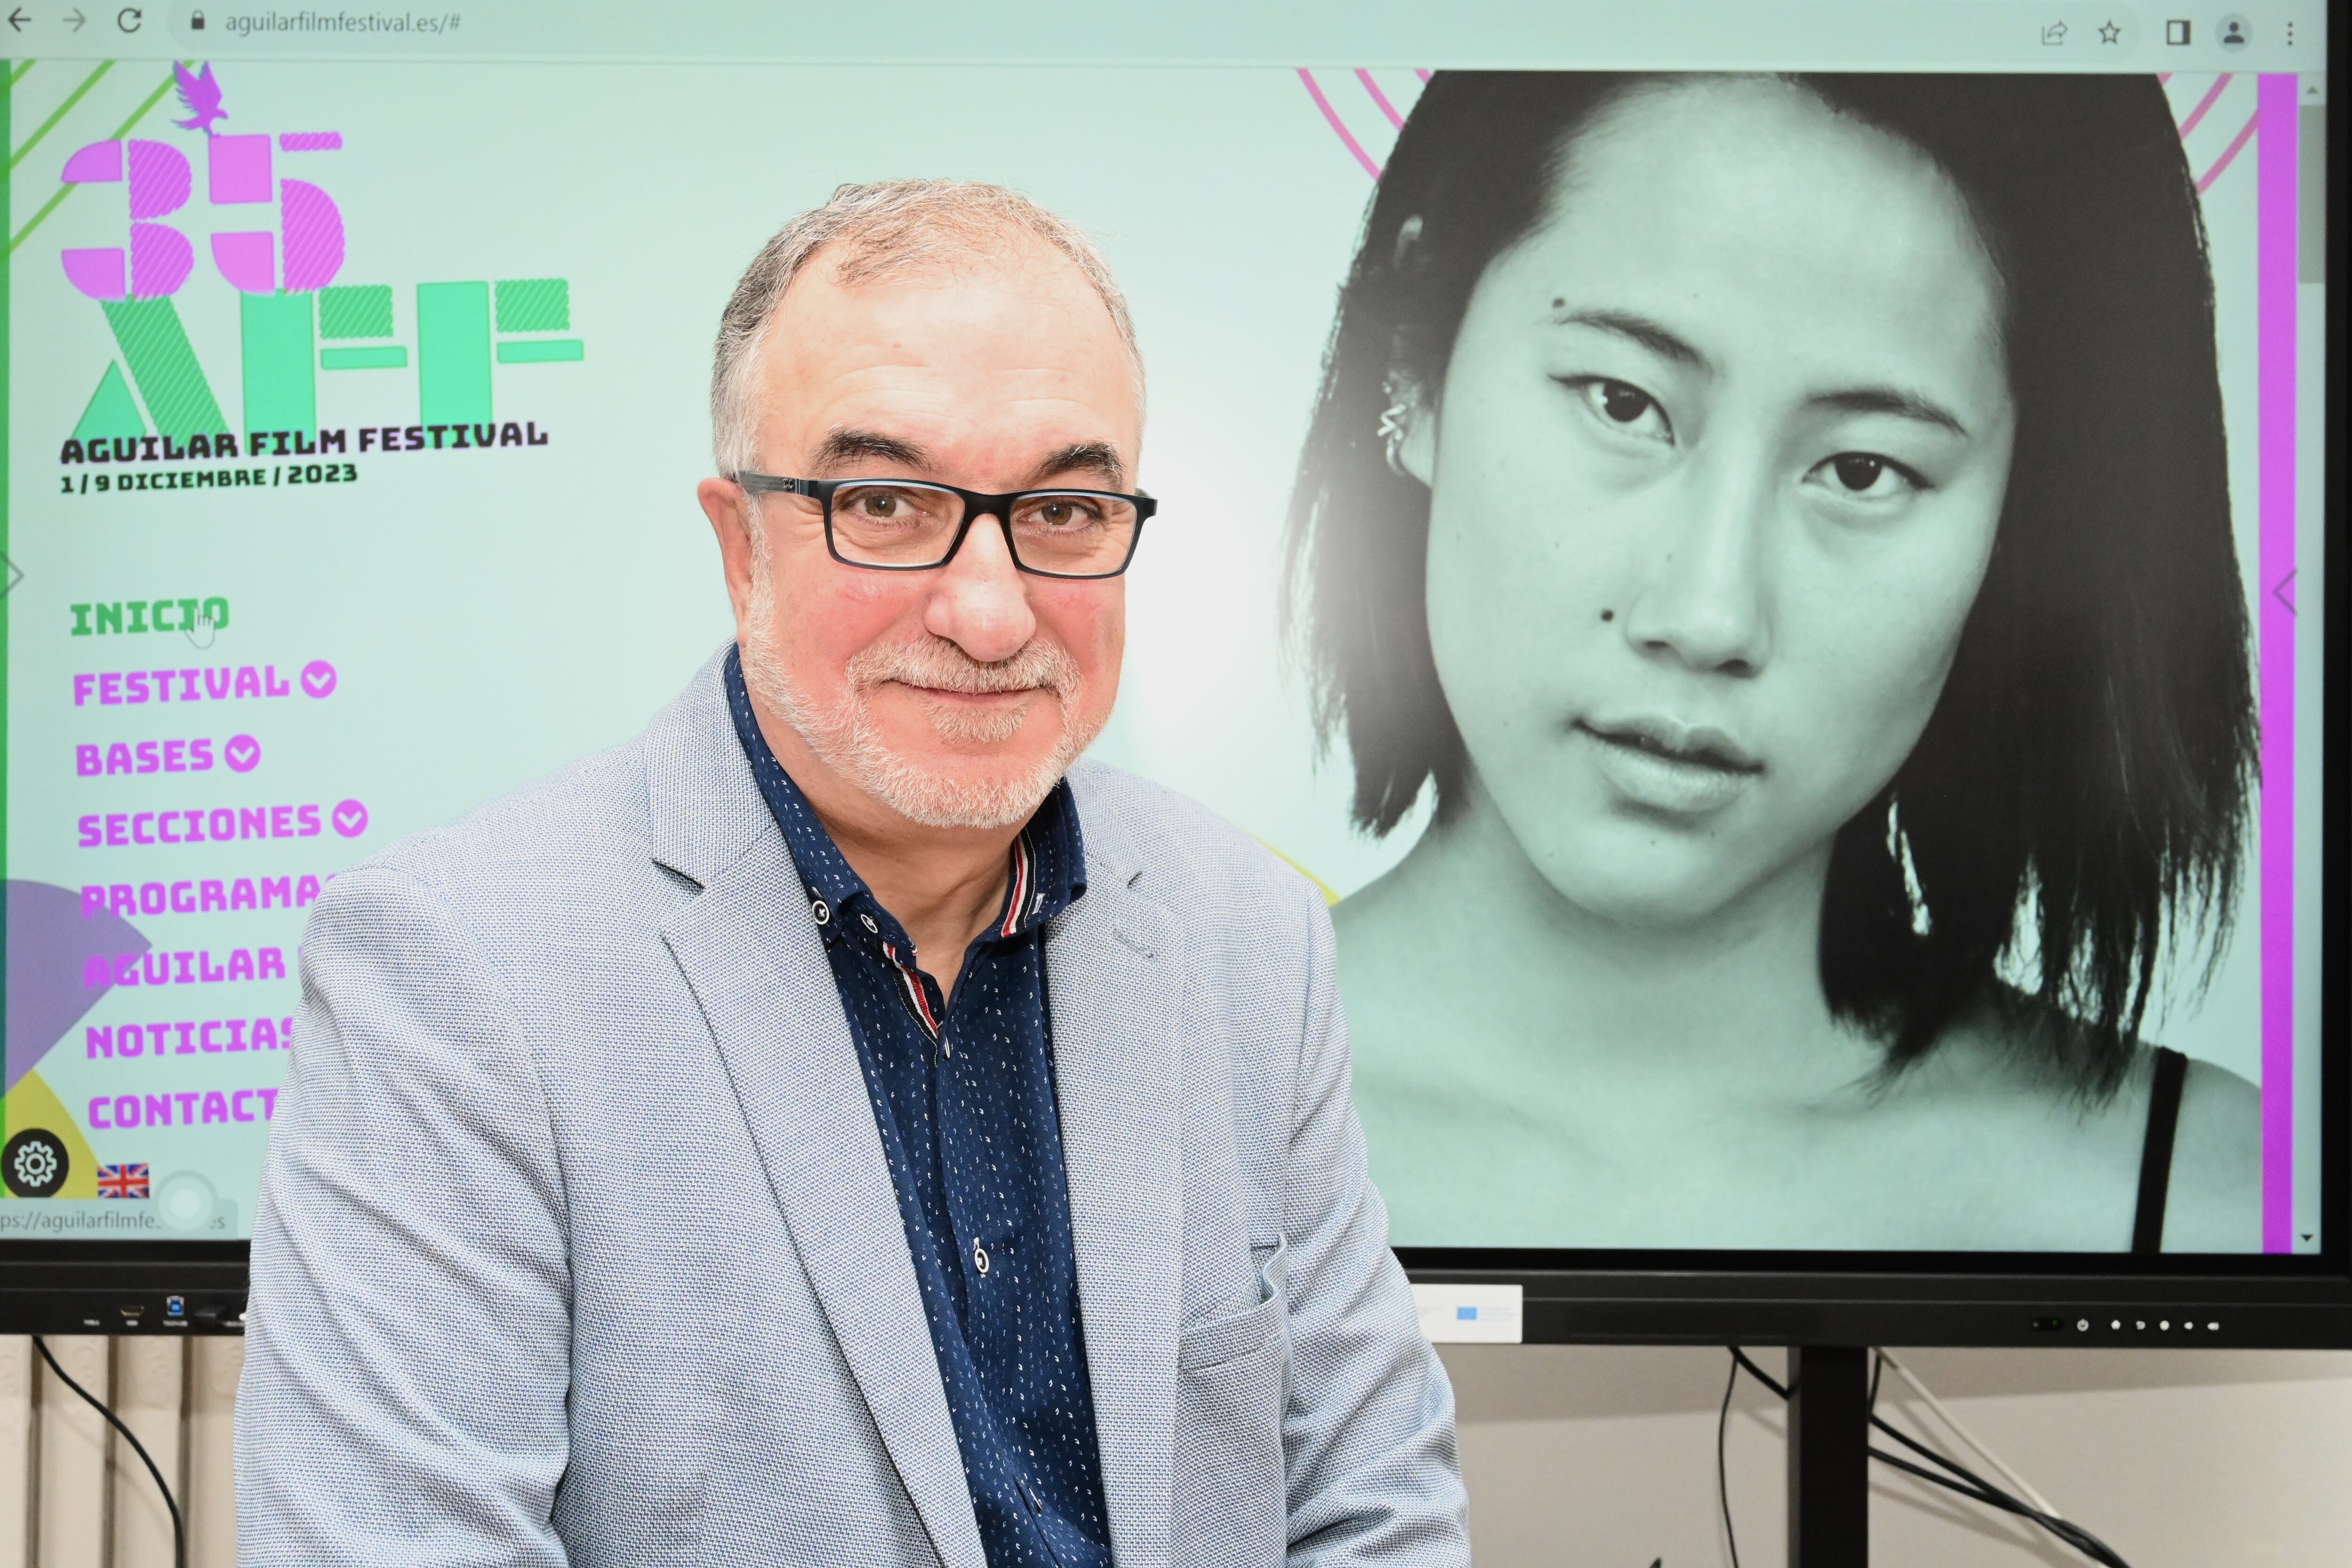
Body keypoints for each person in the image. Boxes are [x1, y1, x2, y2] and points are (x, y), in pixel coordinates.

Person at [238, 179, 1468, 1568]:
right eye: (884, 501)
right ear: (739, 545)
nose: (991, 610)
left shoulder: (1249, 932)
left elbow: (1377, 1509)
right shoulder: (458, 973)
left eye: (1065, 511)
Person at [1286, 73, 2261, 1253]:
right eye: (1622, 400)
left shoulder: (2210, 1197)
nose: (1704, 614)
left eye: (1862, 471)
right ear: (1414, 362)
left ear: (2020, 531)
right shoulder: (1098, 1127)